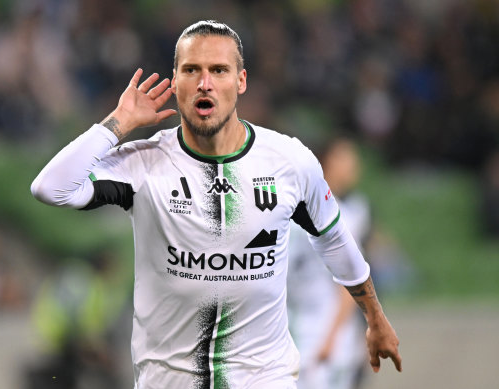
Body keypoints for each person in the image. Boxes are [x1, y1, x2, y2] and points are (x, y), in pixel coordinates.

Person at [31, 20, 401, 389]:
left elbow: (335, 239)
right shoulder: (143, 164)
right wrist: (117, 123)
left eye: (218, 70)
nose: (204, 82)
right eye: (192, 70)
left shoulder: (288, 162)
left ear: (240, 81)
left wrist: (375, 317)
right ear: (175, 82)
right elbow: (51, 188)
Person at [287, 138, 372, 389]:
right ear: (327, 161)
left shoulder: (346, 214)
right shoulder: (295, 212)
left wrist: (331, 339)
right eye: (346, 157)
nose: (354, 165)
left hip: (327, 336)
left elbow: (351, 284)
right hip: (299, 330)